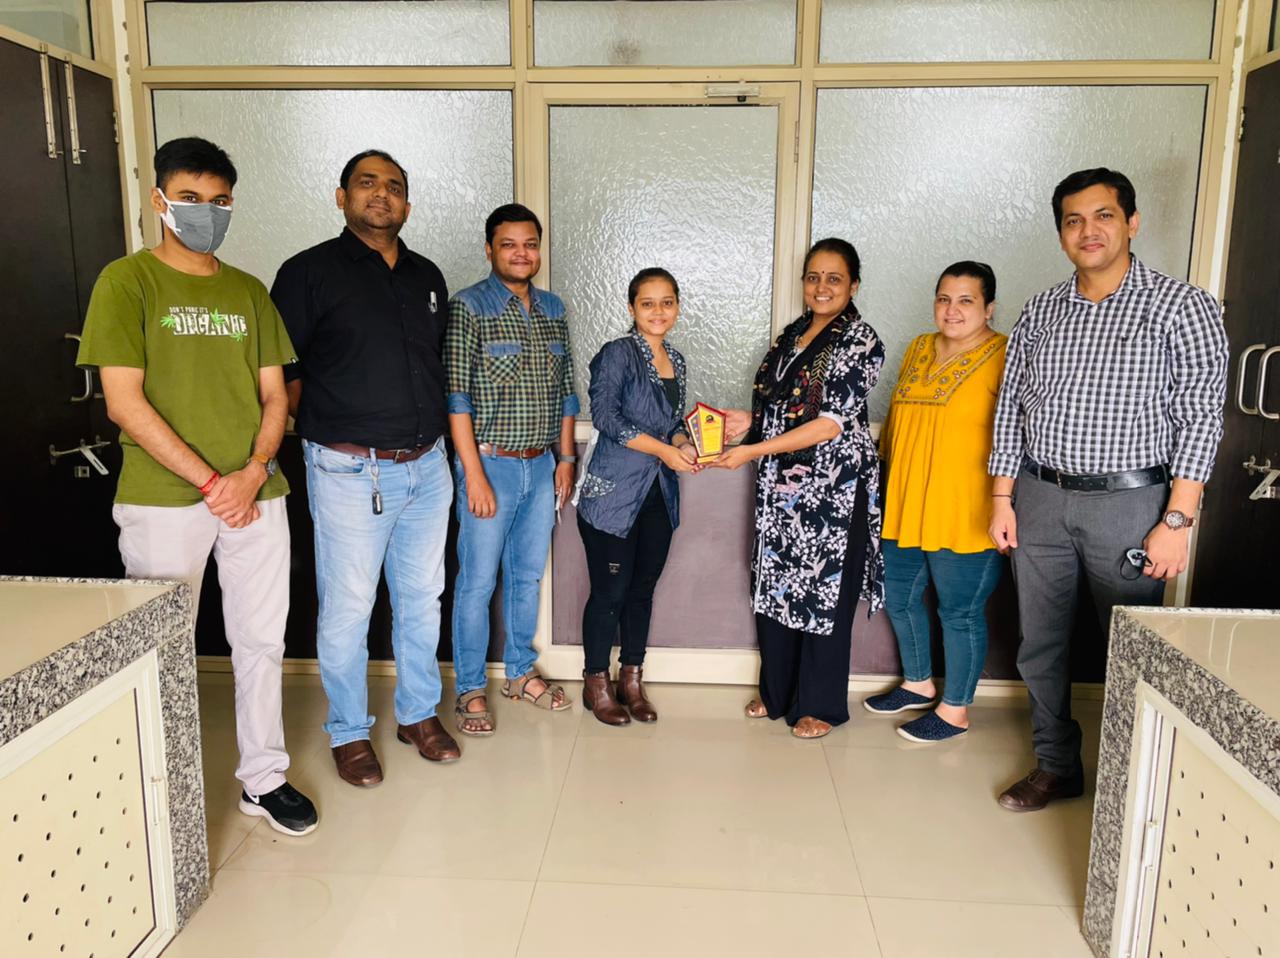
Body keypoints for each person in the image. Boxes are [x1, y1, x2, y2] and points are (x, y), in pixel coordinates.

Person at [76, 137, 317, 835]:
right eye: (189, 198)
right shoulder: (126, 282)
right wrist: (214, 481)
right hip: (164, 498)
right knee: (162, 643)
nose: (205, 211)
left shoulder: (247, 291)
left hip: (256, 494)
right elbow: (123, 403)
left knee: (260, 641)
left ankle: (263, 780)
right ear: (159, 200)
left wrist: (252, 472)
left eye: (219, 201)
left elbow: (276, 395)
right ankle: (159, 790)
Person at [988, 168, 1228, 811]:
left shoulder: (1181, 306)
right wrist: (1003, 498)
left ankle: (1132, 786)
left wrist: (1176, 521)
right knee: (1040, 643)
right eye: (1073, 220)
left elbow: (1201, 417)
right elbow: (1011, 407)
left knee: (1131, 645)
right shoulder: (1041, 310)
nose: (1088, 230)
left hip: (1132, 504)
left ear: (1132, 223)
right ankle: (1055, 765)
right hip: (1040, 496)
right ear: (1061, 234)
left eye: (1103, 216)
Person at [271, 150, 459, 788]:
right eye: (367, 183)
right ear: (342, 196)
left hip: (428, 466)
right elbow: (283, 371)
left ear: (407, 204)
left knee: (422, 599)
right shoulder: (307, 272)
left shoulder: (427, 276)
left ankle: (417, 714)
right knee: (350, 606)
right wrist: (326, 428)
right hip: (351, 471)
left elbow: (432, 364)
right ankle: (349, 731)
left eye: (395, 187)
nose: (382, 194)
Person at [717, 237, 885, 740]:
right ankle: (777, 692)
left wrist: (752, 450)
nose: (821, 287)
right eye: (813, 277)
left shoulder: (860, 340)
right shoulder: (791, 335)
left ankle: (819, 703)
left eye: (834, 278)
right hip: (780, 487)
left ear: (853, 285)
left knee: (822, 591)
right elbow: (781, 406)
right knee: (777, 583)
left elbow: (829, 423)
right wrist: (747, 423)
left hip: (833, 488)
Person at [445, 204, 579, 735]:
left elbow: (567, 391)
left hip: (541, 466)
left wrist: (565, 460)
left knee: (526, 577)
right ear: (489, 249)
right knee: (477, 583)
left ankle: (520, 672)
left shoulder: (553, 308)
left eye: (530, 244)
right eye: (509, 244)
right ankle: (470, 687)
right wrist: (473, 474)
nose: (521, 253)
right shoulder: (469, 307)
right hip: (490, 464)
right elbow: (456, 398)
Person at [863, 262, 1007, 742]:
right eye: (944, 299)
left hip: (965, 508)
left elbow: (1016, 434)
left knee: (959, 611)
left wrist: (1006, 502)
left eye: (966, 300)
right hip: (905, 503)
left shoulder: (1006, 354)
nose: (952, 310)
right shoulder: (919, 347)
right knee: (899, 596)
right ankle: (918, 683)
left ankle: (955, 710)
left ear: (989, 307)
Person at [574, 268, 700, 726]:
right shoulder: (617, 354)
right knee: (610, 591)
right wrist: (665, 450)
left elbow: (672, 423)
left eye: (667, 302)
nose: (658, 311)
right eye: (648, 303)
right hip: (613, 495)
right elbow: (606, 418)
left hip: (658, 494)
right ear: (632, 308)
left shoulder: (677, 360)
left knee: (642, 590)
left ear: (677, 307)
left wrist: (683, 443)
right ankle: (596, 683)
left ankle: (631, 680)